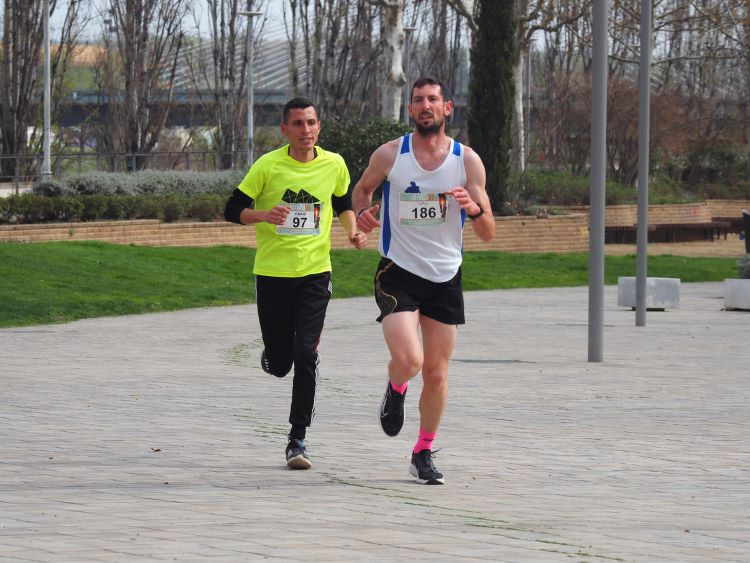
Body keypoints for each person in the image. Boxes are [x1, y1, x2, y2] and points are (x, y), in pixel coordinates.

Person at [352, 77, 495, 484]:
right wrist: (362, 214)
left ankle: (423, 451)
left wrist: (473, 208)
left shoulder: (467, 161)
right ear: (410, 109)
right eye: (418, 100)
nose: (425, 105)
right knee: (410, 361)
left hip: (445, 277)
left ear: (447, 108)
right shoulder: (390, 154)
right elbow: (361, 190)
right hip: (398, 272)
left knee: (436, 374)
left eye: (433, 99)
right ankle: (396, 386)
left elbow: (488, 232)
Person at [224, 96, 368, 470]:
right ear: (285, 129)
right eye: (299, 124)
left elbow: (343, 204)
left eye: (312, 122)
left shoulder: (334, 164)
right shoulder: (268, 166)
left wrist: (352, 231)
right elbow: (231, 209)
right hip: (272, 276)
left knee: (306, 354)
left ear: (319, 126)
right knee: (280, 364)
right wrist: (263, 215)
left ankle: (297, 439)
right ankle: (274, 355)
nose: (306, 130)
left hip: (315, 275)